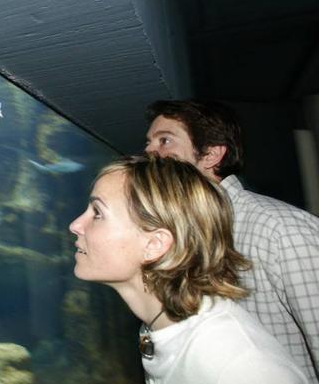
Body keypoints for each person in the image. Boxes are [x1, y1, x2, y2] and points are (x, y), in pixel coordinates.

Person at [69, 155, 308, 384]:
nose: (75, 225)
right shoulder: (162, 328)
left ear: (154, 245)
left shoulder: (239, 366)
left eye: (97, 213)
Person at [144, 99, 319, 383]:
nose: (150, 150)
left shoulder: (280, 230)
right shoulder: (181, 235)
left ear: (211, 155)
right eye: (149, 142)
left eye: (165, 140)